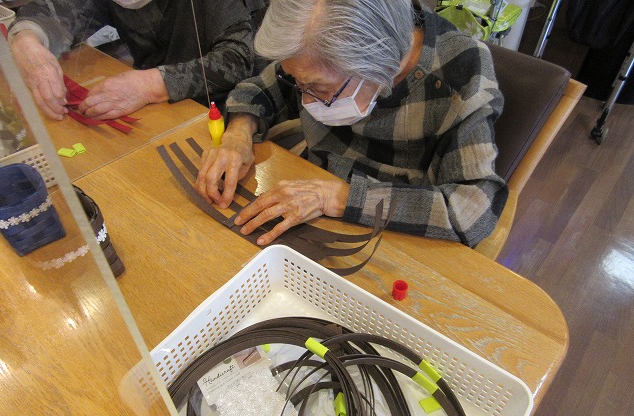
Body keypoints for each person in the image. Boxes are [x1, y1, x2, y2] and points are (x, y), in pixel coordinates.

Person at [195, 0, 508, 248]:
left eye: (318, 87)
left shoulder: (460, 69)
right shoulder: (314, 44)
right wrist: (238, 135)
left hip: (395, 230)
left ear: (376, 63)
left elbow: (473, 209)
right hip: (310, 195)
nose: (304, 97)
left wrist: (338, 197)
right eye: (297, 83)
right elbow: (260, 89)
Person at [7, 0, 267, 120]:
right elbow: (58, 10)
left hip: (236, 112)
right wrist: (26, 40)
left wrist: (149, 85)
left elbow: (237, 60)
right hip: (162, 111)